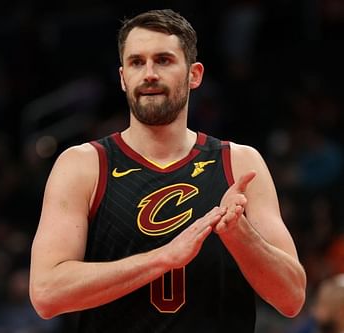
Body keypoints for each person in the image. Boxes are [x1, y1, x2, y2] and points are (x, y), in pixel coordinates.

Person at [29, 8, 306, 332]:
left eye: (163, 60)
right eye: (136, 62)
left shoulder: (239, 162)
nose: (149, 73)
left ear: (194, 74)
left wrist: (239, 234)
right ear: (122, 77)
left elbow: (292, 298)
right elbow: (46, 294)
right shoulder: (83, 164)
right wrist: (164, 257)